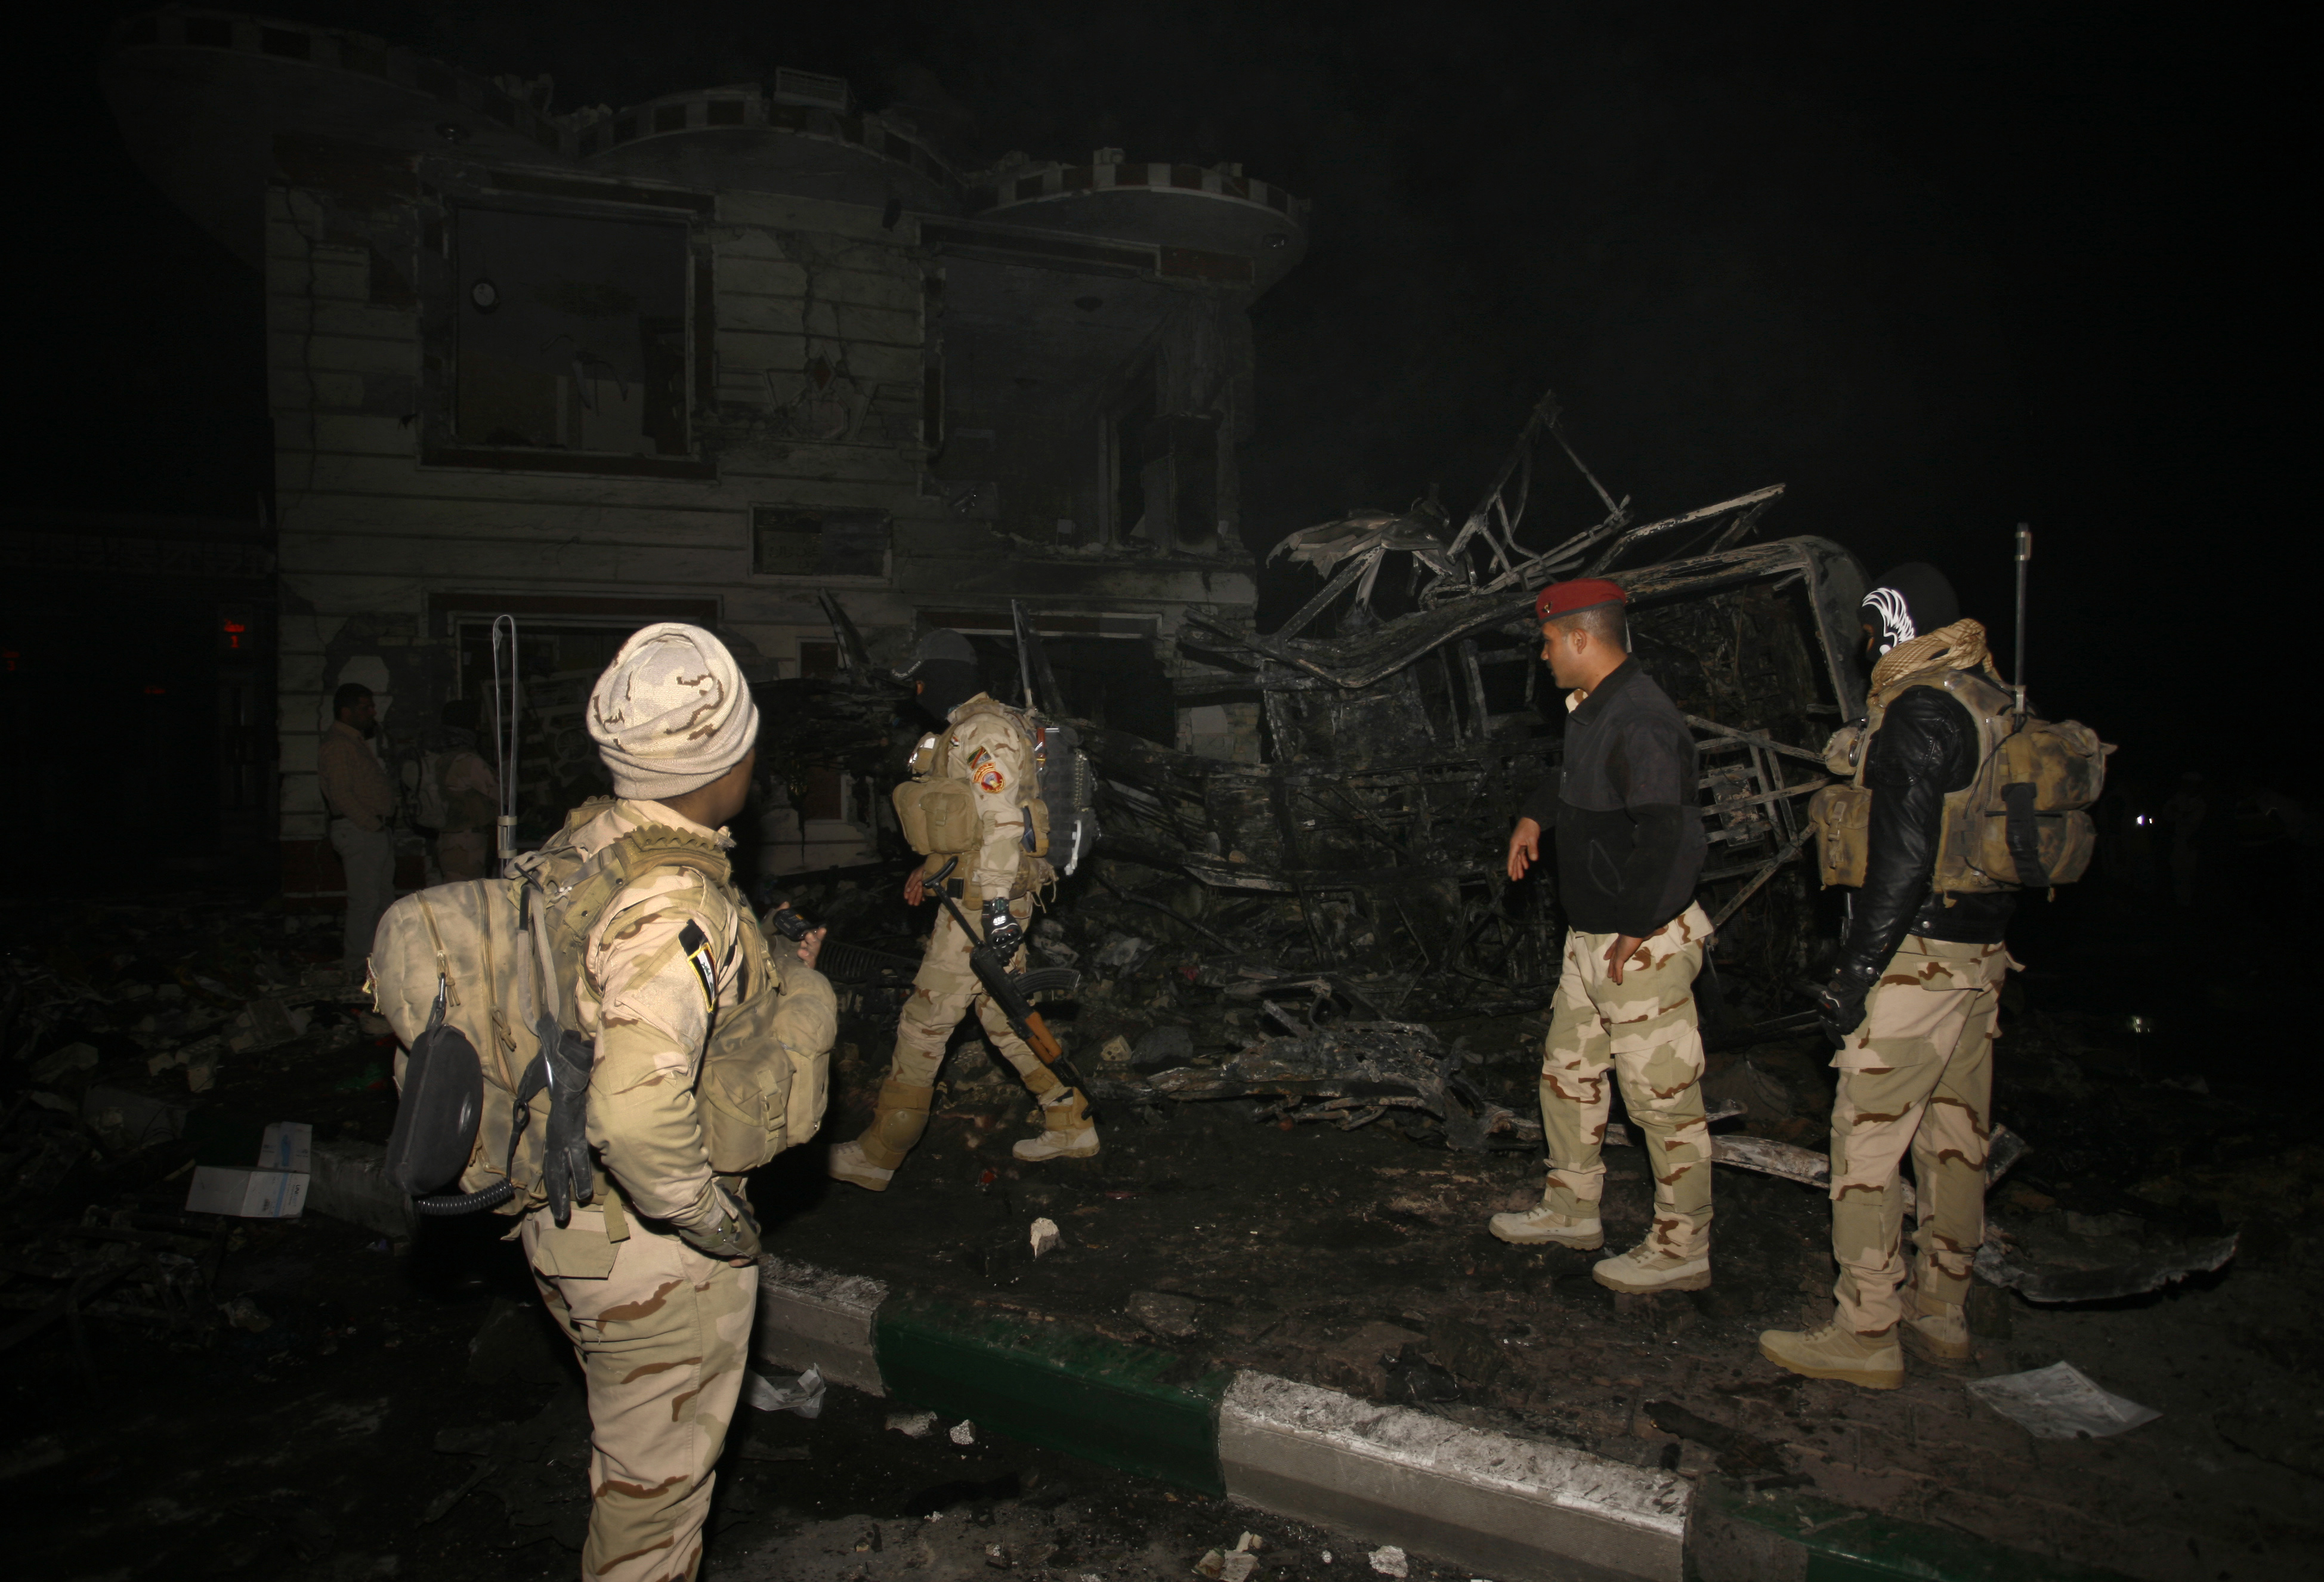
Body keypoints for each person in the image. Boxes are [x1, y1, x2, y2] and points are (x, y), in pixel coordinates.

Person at [526, 622, 834, 1582]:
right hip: (648, 1254)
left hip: (561, 1210)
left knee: (633, 1468)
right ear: (729, 755)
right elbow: (631, 1103)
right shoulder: (676, 901)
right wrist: (707, 1219)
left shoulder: (588, 844)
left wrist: (763, 973)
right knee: (654, 1522)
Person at [1761, 563, 2014, 1391]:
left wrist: (1856, 971)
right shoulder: (1988, 697)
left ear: (1899, 623)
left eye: (1875, 628)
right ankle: (1941, 1312)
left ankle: (1866, 1329)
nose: (1868, 644)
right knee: (1954, 1142)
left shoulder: (1920, 709)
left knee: (1866, 1147)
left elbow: (1902, 859)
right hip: (1978, 961)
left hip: (1917, 956)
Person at [1488, 578, 1714, 1295]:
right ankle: (1570, 1210)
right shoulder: (1592, 709)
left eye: (1550, 642)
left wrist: (1638, 925)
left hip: (1636, 942)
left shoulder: (1643, 721)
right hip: (1591, 940)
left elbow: (1672, 834)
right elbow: (1571, 780)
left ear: (1582, 638)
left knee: (1661, 1103)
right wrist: (1533, 816)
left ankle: (1682, 1248)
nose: (1544, 655)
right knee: (1568, 1077)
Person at [827, 629, 1095, 1191]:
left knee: (925, 1021)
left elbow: (1000, 825)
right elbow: (967, 822)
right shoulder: (972, 727)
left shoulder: (985, 731)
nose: (918, 690)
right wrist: (932, 867)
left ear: (945, 675)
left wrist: (995, 911)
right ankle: (1070, 1120)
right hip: (983, 894)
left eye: (922, 678)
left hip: (984, 904)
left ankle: (881, 1153)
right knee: (1004, 1016)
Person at [317, 681, 397, 981]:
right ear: (346, 711)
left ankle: (378, 961)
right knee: (365, 901)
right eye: (366, 707)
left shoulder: (353, 742)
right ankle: (355, 967)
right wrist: (371, 824)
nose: (372, 713)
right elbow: (341, 794)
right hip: (361, 830)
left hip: (371, 830)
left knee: (381, 898)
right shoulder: (338, 744)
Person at [426, 697, 500, 881]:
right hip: (466, 843)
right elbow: (501, 793)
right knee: (466, 899)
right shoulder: (467, 760)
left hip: (446, 838)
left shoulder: (436, 754)